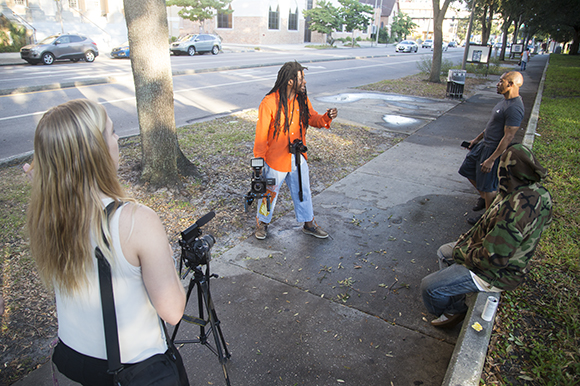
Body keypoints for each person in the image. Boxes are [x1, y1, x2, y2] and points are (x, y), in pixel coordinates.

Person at [26, 99, 187, 385]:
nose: (117, 139)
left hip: (76, 363)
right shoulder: (136, 221)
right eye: (111, 132)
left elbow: (55, 177)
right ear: (96, 151)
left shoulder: (46, 215)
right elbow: (172, 312)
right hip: (133, 369)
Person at [421, 143, 552, 328]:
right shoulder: (539, 193)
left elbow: (493, 259)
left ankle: (452, 313)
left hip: (495, 273)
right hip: (489, 251)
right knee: (444, 251)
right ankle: (454, 298)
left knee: (429, 288)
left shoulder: (513, 210)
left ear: (507, 171)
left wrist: (463, 254)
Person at [253, 61, 338, 240]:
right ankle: (262, 223)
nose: (305, 82)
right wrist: (258, 164)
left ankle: (308, 223)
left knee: (303, 190)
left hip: (298, 157)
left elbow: (313, 118)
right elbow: (261, 137)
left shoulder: (302, 99)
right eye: (302, 78)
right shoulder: (269, 102)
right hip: (276, 159)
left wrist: (326, 117)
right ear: (291, 81)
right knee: (270, 192)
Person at [459, 71, 525, 225]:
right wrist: (476, 140)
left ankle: (488, 220)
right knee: (467, 170)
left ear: (511, 84)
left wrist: (492, 159)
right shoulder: (504, 102)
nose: (498, 84)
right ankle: (484, 199)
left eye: (501, 81)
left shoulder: (515, 108)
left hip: (493, 150)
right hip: (483, 145)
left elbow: (508, 137)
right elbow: (492, 125)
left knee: (488, 186)